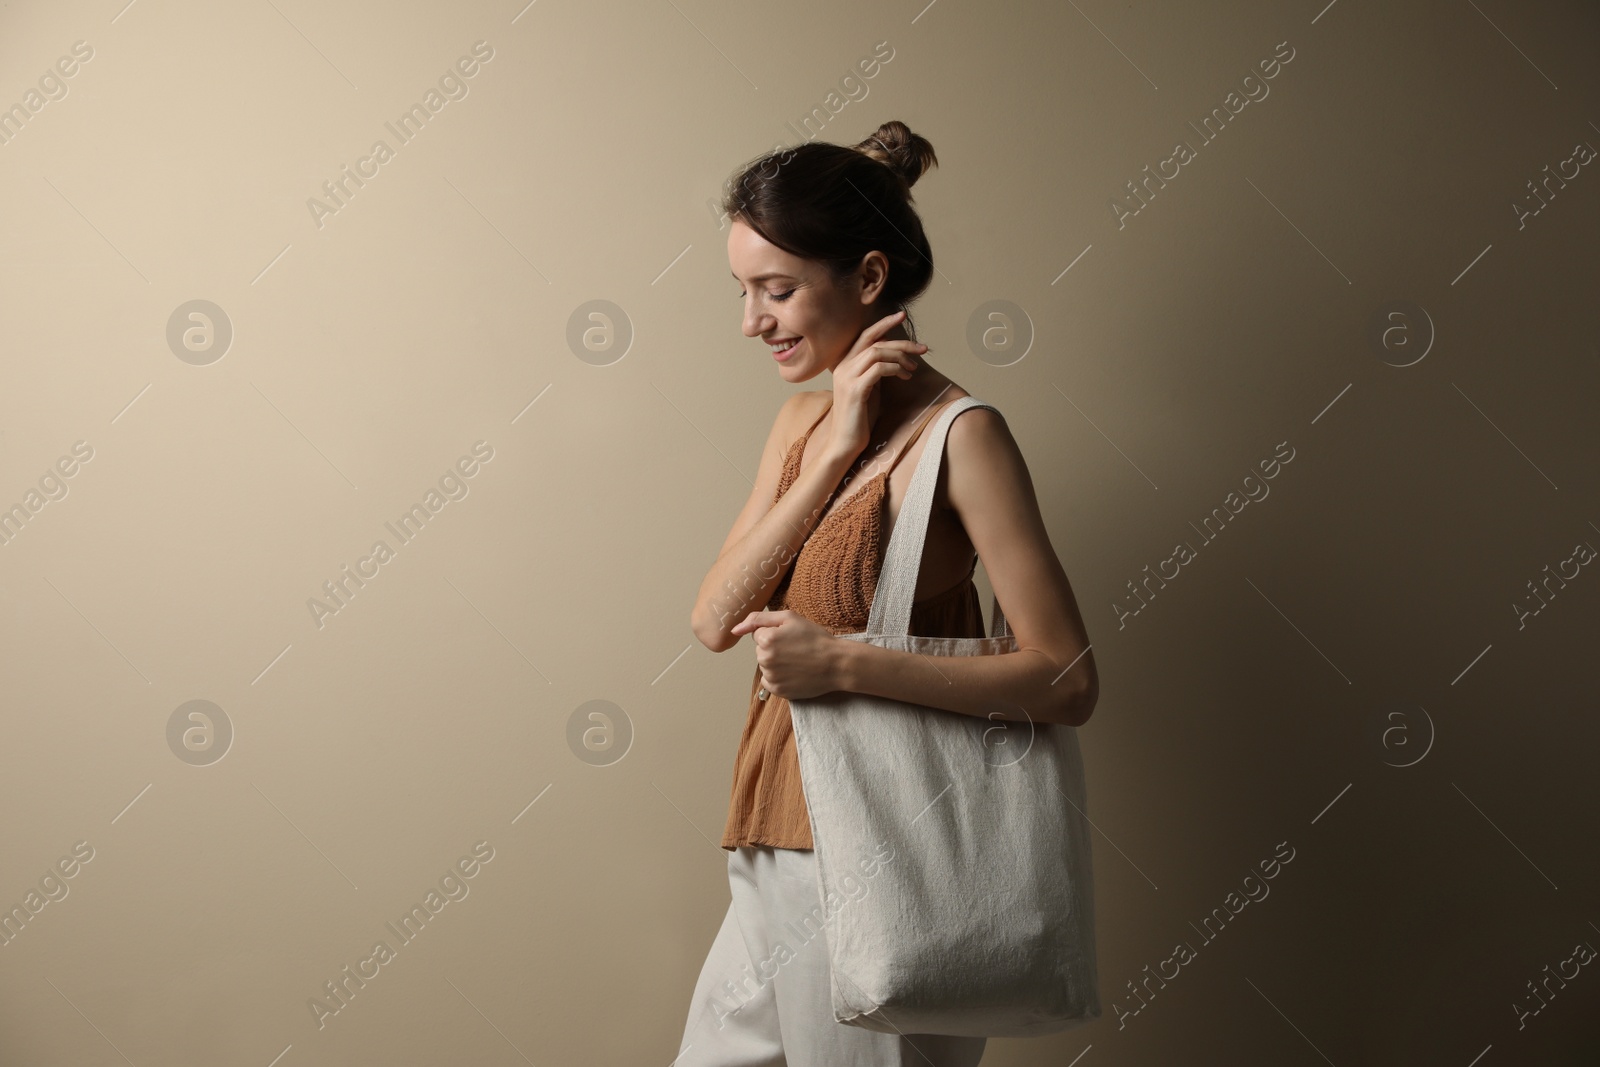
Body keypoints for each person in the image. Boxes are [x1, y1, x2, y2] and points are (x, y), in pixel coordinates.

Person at [677, 120, 1098, 1066]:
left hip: (883, 852)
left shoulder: (965, 438)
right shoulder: (801, 423)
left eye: (776, 290)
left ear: (868, 280)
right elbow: (712, 620)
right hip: (772, 835)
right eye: (744, 291)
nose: (753, 320)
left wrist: (842, 663)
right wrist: (831, 448)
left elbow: (1067, 679)